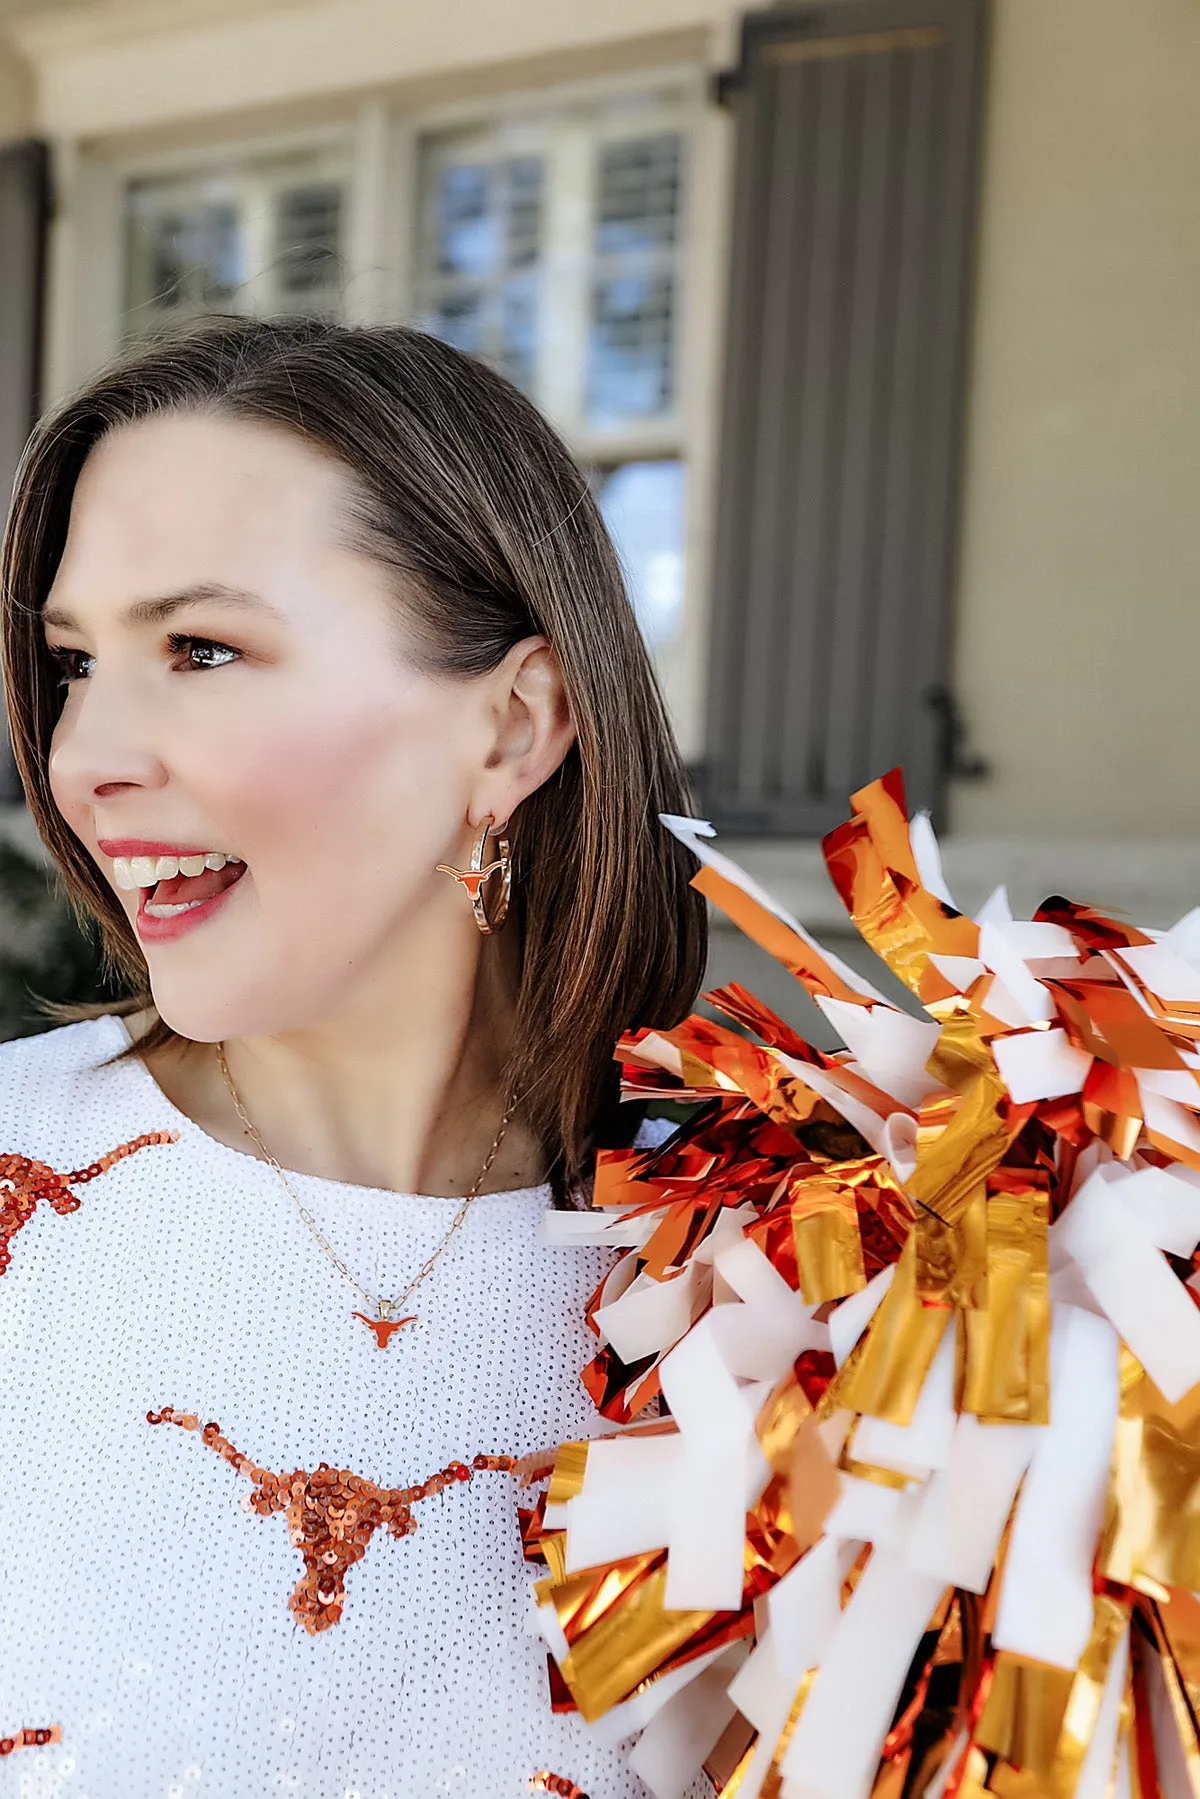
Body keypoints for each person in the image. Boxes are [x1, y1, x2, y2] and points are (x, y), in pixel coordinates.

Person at [0, 318, 709, 1798]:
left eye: (200, 649)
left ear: (513, 726)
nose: (81, 759)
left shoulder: (770, 1287)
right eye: (73, 664)